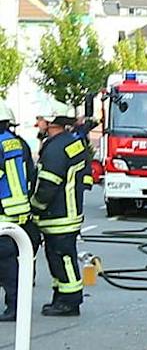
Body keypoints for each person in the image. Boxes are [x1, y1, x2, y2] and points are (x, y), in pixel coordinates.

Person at [31, 113, 91, 318]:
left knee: (62, 258)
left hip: (58, 214)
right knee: (59, 258)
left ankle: (69, 302)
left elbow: (48, 184)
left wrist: (35, 207)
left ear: (51, 122)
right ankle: (61, 297)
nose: (37, 123)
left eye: (40, 119)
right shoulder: (71, 142)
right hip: (69, 210)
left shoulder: (56, 148)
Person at [0, 110, 35, 322]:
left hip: (4, 209)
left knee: (6, 263)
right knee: (11, 260)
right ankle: (16, 304)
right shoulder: (14, 141)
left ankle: (14, 307)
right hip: (18, 207)